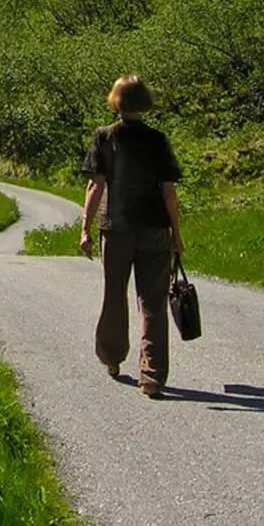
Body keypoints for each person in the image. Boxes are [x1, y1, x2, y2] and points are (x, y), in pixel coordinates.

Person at [80, 74, 184, 399]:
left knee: (114, 295)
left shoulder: (105, 137)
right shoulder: (157, 139)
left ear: (115, 100)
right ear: (144, 101)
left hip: (116, 228)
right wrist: (176, 234)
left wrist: (85, 228)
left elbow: (95, 186)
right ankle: (151, 376)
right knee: (152, 303)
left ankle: (111, 359)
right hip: (154, 228)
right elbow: (169, 193)